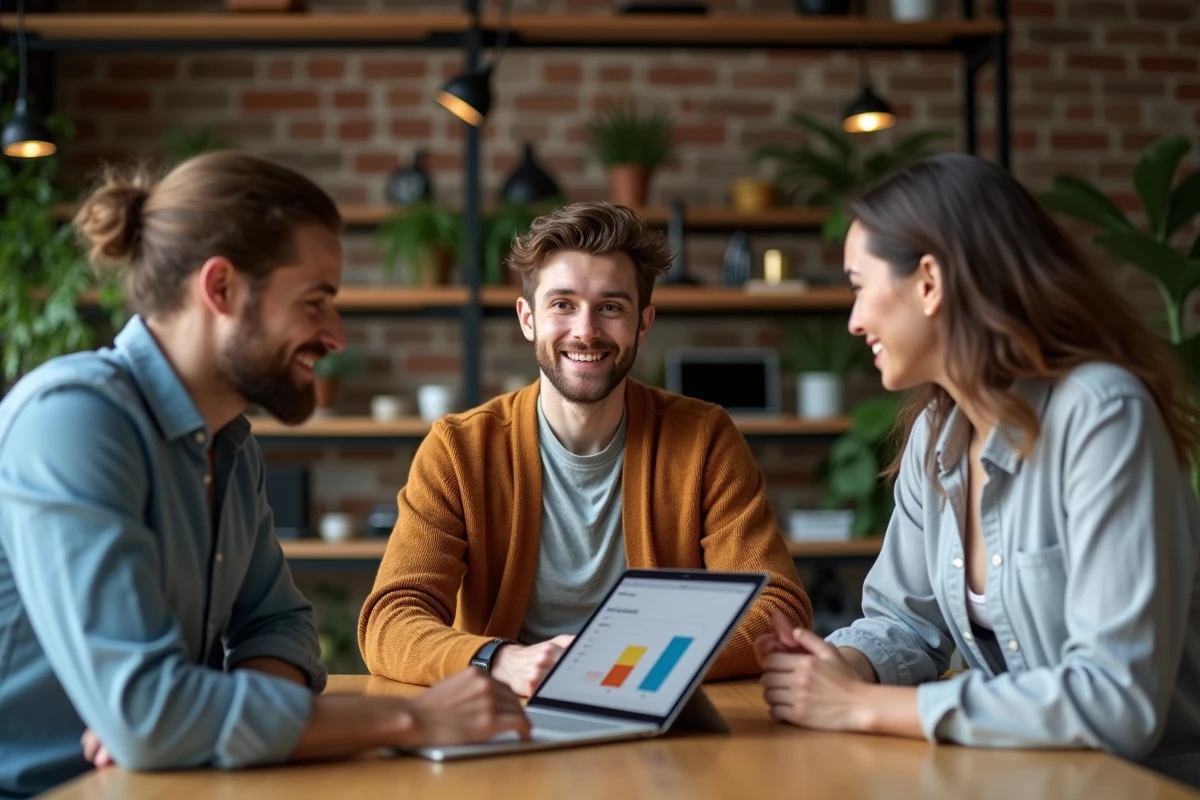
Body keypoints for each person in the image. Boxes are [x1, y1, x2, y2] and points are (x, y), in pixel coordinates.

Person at [0, 152, 528, 800]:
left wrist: (184, 723)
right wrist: (414, 717)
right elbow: (146, 714)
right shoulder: (74, 421)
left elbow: (280, 628)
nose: (335, 336)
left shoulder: (230, 444)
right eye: (316, 302)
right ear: (220, 288)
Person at [754, 152, 1200, 785]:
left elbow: (1116, 700)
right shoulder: (936, 434)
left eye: (859, 284)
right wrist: (841, 667)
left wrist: (863, 706)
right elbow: (906, 622)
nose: (853, 319)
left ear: (930, 282)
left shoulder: (1101, 415)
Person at [359, 201, 812, 695]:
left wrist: (623, 662)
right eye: (563, 304)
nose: (586, 330)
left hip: (655, 705)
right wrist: (500, 660)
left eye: (611, 307)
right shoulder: (460, 450)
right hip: (511, 707)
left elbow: (778, 609)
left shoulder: (704, 439)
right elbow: (391, 619)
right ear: (527, 318)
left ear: (643, 322)